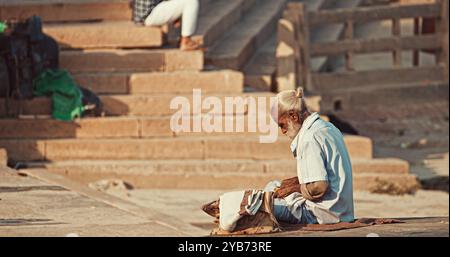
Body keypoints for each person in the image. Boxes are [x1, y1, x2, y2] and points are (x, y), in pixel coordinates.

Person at [266, 87, 355, 224]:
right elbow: (328, 174)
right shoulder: (327, 127)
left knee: (264, 205)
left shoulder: (309, 138)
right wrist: (293, 183)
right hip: (342, 211)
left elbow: (319, 187)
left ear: (293, 116)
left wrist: (293, 189)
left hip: (321, 214)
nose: (283, 131)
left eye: (282, 125)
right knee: (275, 186)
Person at [132, 0, 201, 51]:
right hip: (148, 14)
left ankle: (184, 39)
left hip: (146, 12)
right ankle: (186, 41)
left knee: (184, 3)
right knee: (191, 2)